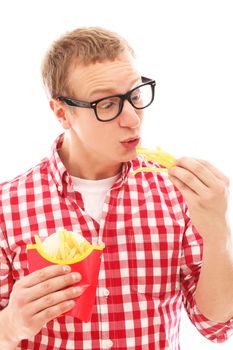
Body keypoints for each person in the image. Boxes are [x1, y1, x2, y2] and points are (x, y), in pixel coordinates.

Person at [0, 26, 233, 350]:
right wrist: (10, 326)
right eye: (107, 104)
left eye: (135, 96)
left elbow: (215, 325)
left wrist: (218, 234)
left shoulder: (176, 193)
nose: (133, 119)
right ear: (62, 112)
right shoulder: (7, 206)